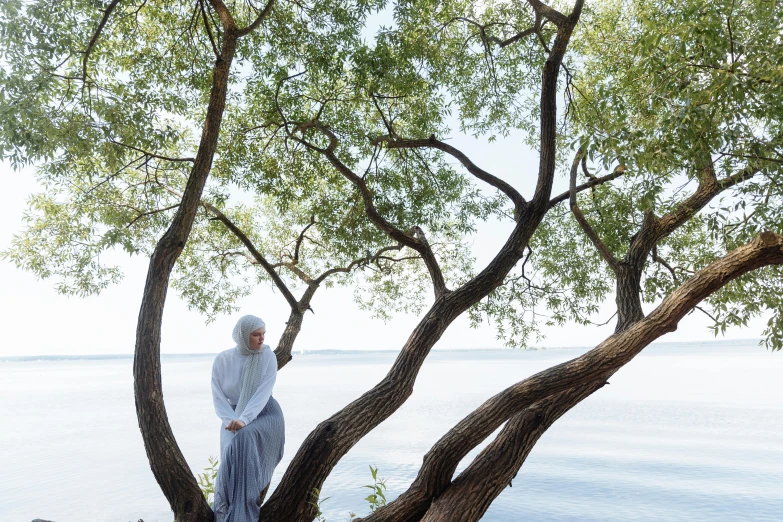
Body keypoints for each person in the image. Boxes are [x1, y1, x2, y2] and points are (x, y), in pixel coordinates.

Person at [211, 315, 285, 521]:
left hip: (265, 413)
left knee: (243, 438)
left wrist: (244, 420)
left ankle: (244, 512)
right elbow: (218, 396)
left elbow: (263, 393)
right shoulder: (222, 359)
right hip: (231, 417)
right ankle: (223, 509)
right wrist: (231, 421)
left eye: (263, 334)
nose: (262, 339)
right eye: (256, 335)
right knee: (233, 448)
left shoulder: (267, 357)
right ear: (243, 336)